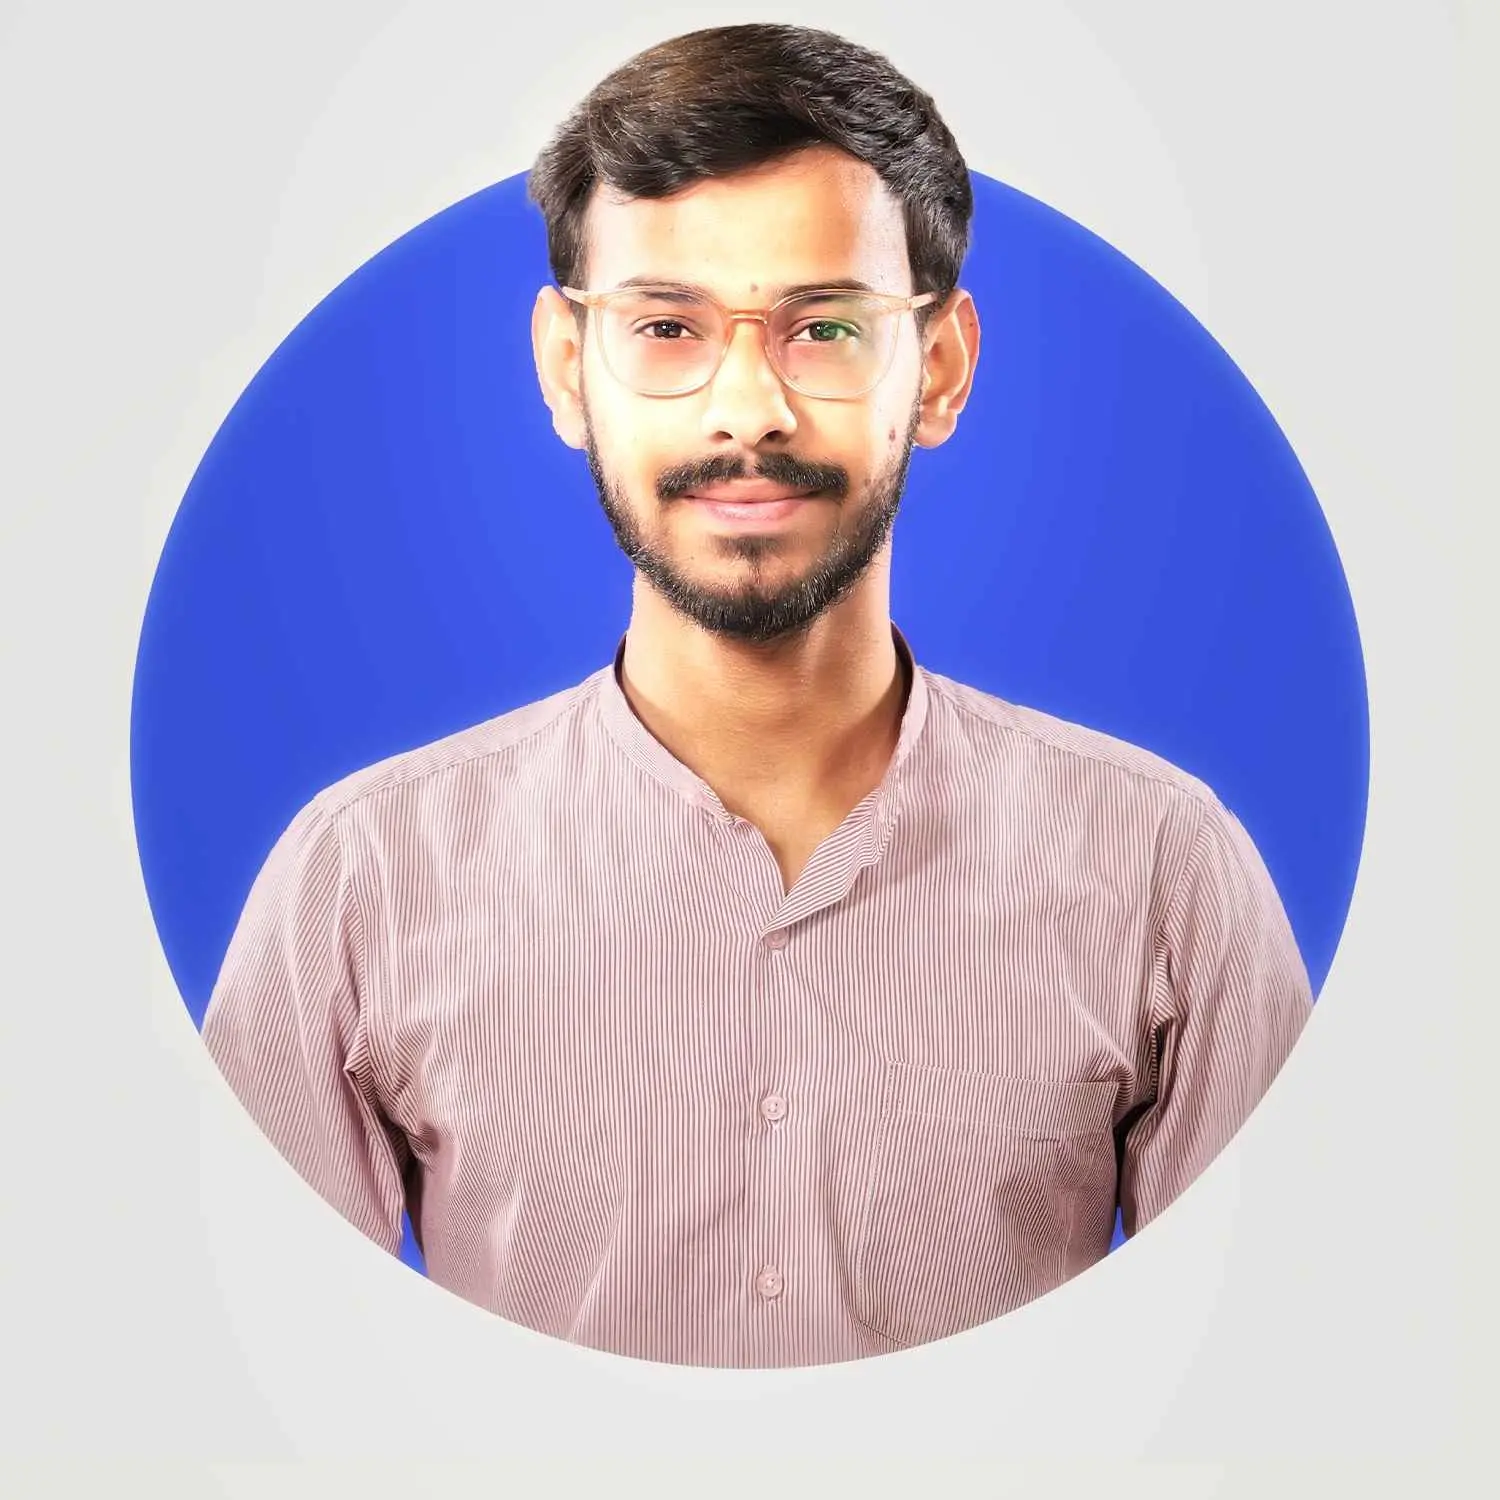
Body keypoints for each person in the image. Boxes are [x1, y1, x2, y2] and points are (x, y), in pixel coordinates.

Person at [202, 22, 1311, 1369]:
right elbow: (244, 1377)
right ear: (567, 369)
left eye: (825, 326)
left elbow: (1278, 1369)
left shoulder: (1163, 868)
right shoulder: (358, 883)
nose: (748, 409)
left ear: (941, 368)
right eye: (666, 326)